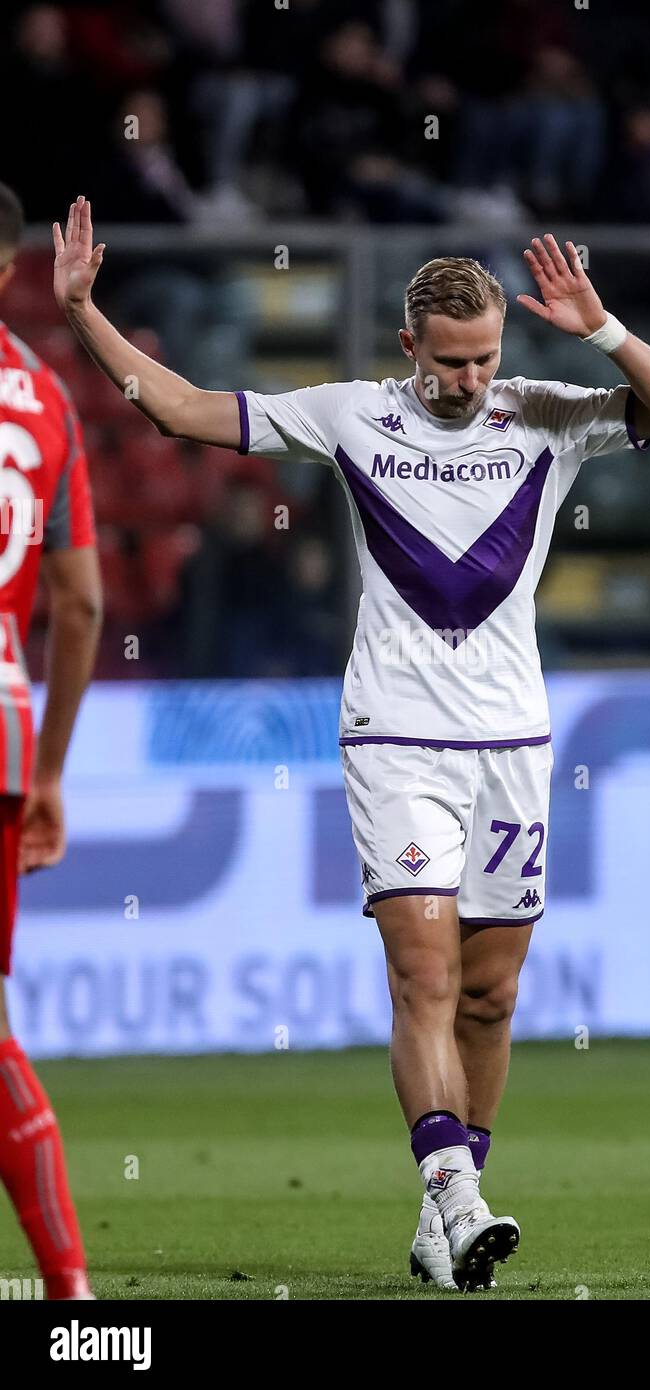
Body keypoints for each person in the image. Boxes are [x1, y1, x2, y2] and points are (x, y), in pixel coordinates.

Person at [54, 195, 650, 1291]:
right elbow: (176, 410)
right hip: (394, 735)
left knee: (491, 995)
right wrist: (80, 310)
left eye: (483, 358)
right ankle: (455, 1193)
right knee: (423, 969)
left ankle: (441, 1212)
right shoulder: (353, 416)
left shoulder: (544, 414)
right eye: (448, 362)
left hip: (512, 739)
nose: (468, 380)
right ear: (409, 347)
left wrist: (599, 330)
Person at [0, 184, 102, 1300]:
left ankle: (70, 1290)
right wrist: (53, 770)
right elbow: (78, 607)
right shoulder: (44, 401)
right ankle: (67, 1294)